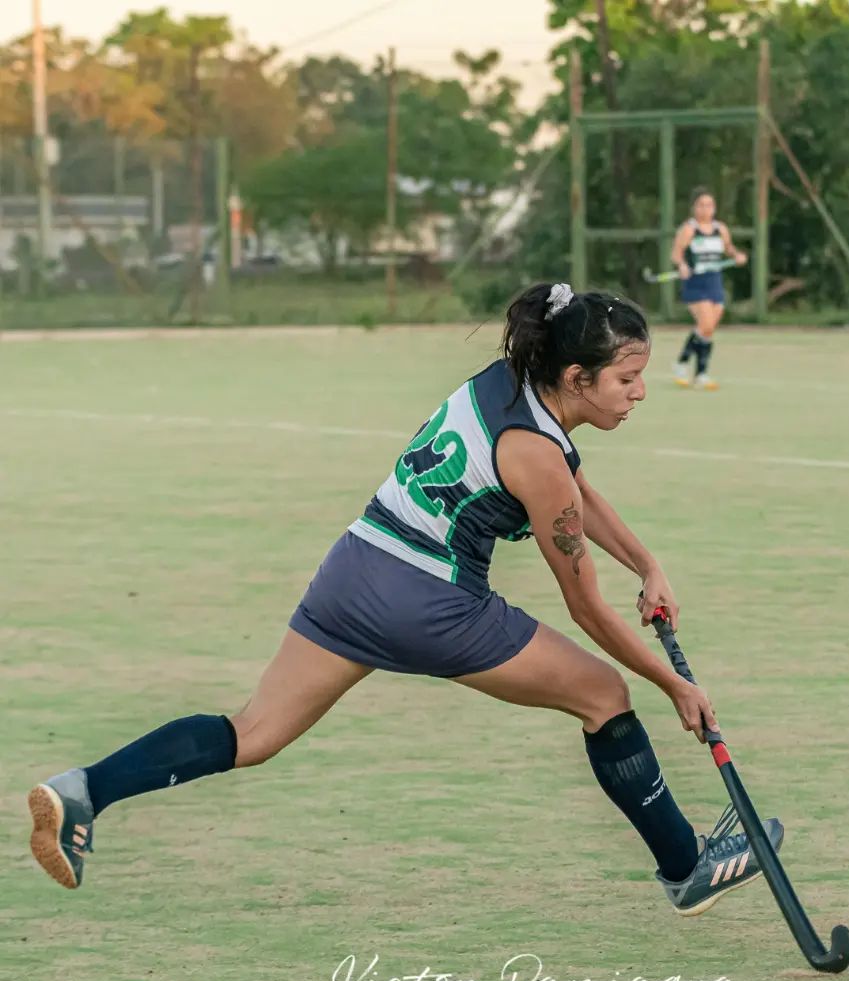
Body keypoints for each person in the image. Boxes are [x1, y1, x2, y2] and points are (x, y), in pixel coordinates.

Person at [28, 282, 782, 917]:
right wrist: (672, 684)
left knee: (252, 732)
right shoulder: (536, 454)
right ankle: (687, 867)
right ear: (578, 378)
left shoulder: (510, 384)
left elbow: (574, 488)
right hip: (431, 604)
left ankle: (83, 791)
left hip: (354, 570)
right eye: (626, 378)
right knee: (604, 694)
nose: (640, 392)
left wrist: (646, 563)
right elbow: (584, 605)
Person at [670, 186, 748, 390]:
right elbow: (676, 254)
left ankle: (685, 363)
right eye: (702, 205)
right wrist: (682, 266)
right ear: (694, 207)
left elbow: (728, 248)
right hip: (696, 283)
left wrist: (736, 256)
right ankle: (698, 372)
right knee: (705, 325)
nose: (706, 209)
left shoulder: (720, 229)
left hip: (715, 281)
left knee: (708, 329)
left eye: (710, 205)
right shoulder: (688, 229)